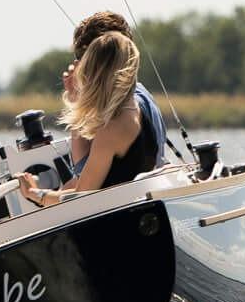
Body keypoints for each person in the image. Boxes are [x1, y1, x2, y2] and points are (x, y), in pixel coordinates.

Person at [18, 28, 163, 203]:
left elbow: (80, 197)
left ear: (97, 73)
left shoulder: (111, 130)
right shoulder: (135, 110)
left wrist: (34, 193)